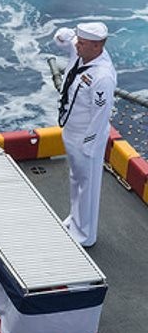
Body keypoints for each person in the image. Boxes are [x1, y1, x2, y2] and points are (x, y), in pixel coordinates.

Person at [54, 22, 117, 248]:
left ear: (97, 46)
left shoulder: (102, 77)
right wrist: (62, 35)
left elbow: (100, 117)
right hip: (70, 130)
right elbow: (63, 39)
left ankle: (85, 235)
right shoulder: (83, 52)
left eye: (82, 43)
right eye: (78, 42)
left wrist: (89, 146)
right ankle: (75, 219)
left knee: (87, 184)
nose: (76, 46)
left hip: (85, 137)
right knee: (76, 178)